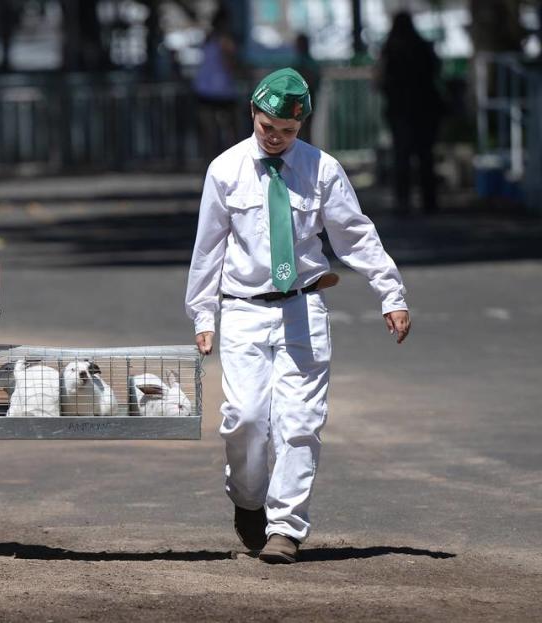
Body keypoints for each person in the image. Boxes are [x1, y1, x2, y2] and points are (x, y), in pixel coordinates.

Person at [184, 68, 410, 564]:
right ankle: (248, 499)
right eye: (268, 128)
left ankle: (285, 526)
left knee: (300, 421)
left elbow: (355, 235)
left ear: (300, 127)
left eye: (287, 132)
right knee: (245, 420)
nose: (276, 139)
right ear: (253, 114)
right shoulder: (225, 170)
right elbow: (208, 249)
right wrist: (203, 316)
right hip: (244, 308)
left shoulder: (321, 169)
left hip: (303, 305)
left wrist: (390, 293)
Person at [377, 11, 443, 214]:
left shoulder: (390, 49)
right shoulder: (422, 46)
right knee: (425, 156)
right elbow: (435, 71)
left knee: (402, 157)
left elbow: (382, 80)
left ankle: (403, 200)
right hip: (425, 109)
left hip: (400, 110)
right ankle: (429, 200)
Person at [193, 5, 242, 160]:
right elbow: (231, 66)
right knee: (232, 132)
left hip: (204, 90)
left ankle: (209, 165)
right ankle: (232, 164)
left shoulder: (208, 38)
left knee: (209, 134)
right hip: (223, 91)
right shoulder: (226, 40)